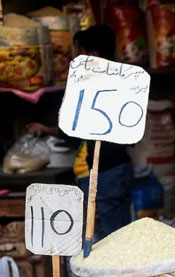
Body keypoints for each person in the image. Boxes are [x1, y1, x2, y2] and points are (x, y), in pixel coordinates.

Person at [26, 25, 133, 241]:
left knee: (108, 237)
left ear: (92, 54)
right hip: (121, 166)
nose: (75, 59)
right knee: (123, 231)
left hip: (102, 173)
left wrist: (47, 130)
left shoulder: (93, 86)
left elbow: (73, 130)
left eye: (80, 52)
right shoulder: (125, 79)